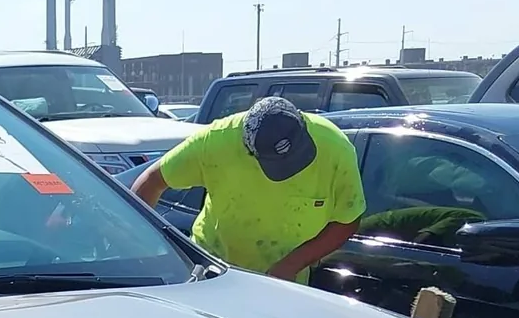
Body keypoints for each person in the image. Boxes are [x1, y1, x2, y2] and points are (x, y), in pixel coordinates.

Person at [131, 96, 364, 282]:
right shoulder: (216, 142)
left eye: (296, 157)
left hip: (285, 283)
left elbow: (348, 219)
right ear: (248, 150)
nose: (289, 172)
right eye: (279, 165)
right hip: (213, 273)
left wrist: (292, 264)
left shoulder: (335, 149)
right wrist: (141, 249)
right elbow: (152, 181)